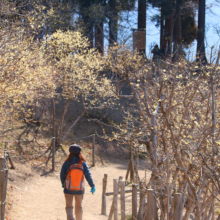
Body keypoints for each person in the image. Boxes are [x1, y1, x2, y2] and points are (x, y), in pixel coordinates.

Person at [60, 144, 96, 220]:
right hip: (79, 189)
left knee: (69, 206)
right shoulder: (83, 163)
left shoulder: (67, 162)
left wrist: (63, 184)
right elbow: (88, 175)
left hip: (68, 188)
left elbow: (62, 174)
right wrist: (92, 186)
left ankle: (70, 219)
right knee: (79, 206)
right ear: (80, 152)